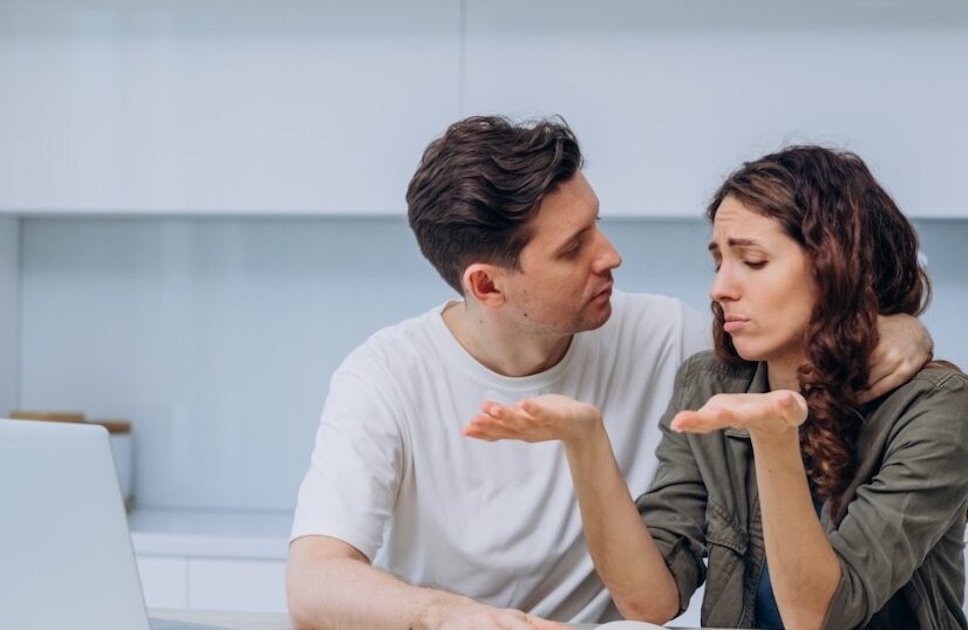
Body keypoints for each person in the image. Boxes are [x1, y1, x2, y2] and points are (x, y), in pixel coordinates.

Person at [286, 118, 934, 630]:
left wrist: (897, 325)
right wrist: (448, 616)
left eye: (596, 223)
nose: (611, 255)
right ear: (487, 285)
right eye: (574, 248)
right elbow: (313, 581)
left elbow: (800, 330)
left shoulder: (666, 338)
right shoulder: (385, 377)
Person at [465, 145, 968, 629]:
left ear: (836, 267)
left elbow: (820, 616)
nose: (720, 288)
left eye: (752, 261)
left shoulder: (932, 405)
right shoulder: (708, 382)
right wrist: (585, 444)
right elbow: (648, 601)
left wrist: (773, 435)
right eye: (719, 260)